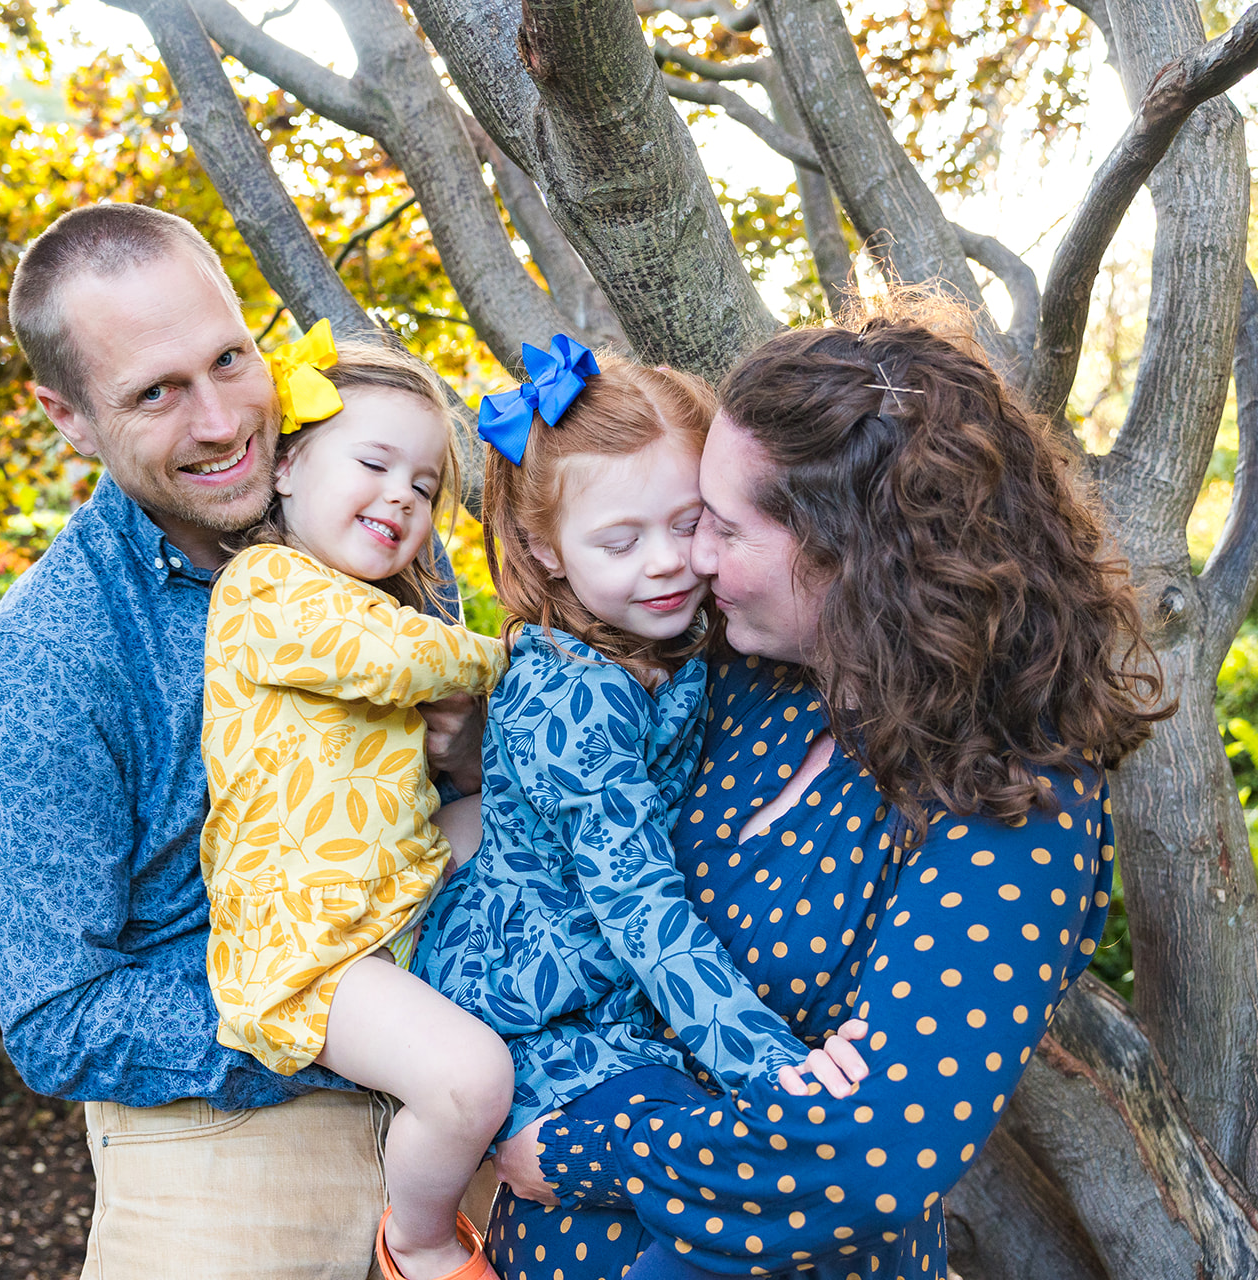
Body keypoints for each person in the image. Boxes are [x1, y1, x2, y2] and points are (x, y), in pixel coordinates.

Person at [484, 304, 1167, 1279]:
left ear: (851, 550)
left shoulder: (1014, 799)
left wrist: (576, 1145)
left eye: (715, 525)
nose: (691, 560)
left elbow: (865, 1159)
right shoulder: (739, 672)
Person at [0, 203, 483, 1279]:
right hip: (221, 1157)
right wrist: (327, 1009)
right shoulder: (54, 649)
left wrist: (468, 755)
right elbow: (59, 1015)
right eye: (155, 391)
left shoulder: (379, 530)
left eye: (228, 359)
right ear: (67, 416)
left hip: (463, 1113)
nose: (219, 421)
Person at [416, 340, 871, 1276]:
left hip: (613, 994)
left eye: (691, 522)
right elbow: (638, 901)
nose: (668, 564)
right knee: (707, 1170)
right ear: (544, 547)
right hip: (535, 1007)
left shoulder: (684, 641)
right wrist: (772, 1069)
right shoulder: (568, 696)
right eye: (620, 542)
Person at [200, 328, 514, 1280]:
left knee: (535, 824)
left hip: (389, 889)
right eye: (374, 463)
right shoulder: (268, 585)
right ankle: (417, 1241)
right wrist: (519, 658)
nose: (402, 497)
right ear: (287, 466)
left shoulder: (365, 599)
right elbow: (385, 658)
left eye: (424, 487)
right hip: (311, 943)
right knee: (471, 1082)